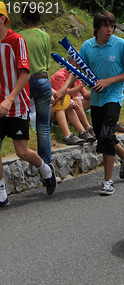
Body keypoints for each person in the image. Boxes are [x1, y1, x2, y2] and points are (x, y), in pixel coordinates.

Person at [54, 11, 124, 195]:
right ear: (97, 28)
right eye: (106, 26)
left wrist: (109, 81)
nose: (110, 30)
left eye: (112, 26)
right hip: (96, 99)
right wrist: (64, 88)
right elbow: (75, 69)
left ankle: (107, 181)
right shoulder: (87, 46)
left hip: (113, 97)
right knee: (102, 135)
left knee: (106, 135)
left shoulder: (120, 44)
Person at [0, 3, 56, 207]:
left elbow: (24, 73)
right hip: (4, 102)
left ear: (4, 18)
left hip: (17, 101)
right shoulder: (39, 36)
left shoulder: (17, 39)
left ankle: (46, 169)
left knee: (21, 152)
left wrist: (9, 98)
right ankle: (1, 193)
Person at [17, 2, 52, 164]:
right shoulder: (44, 36)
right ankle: (47, 167)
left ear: (23, 17)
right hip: (42, 80)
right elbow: (46, 63)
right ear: (39, 17)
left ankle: (28, 156)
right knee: (43, 127)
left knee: (20, 122)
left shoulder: (16, 35)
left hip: (23, 82)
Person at [50, 62, 96, 142]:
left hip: (67, 105)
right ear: (73, 63)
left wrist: (100, 95)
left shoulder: (76, 74)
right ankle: (69, 135)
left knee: (93, 99)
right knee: (66, 104)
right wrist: (82, 84)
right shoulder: (59, 75)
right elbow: (61, 95)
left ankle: (84, 131)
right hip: (51, 109)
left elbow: (84, 93)